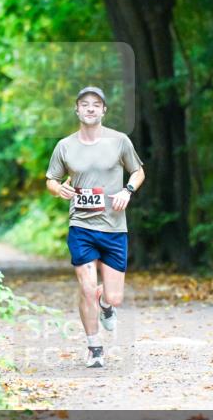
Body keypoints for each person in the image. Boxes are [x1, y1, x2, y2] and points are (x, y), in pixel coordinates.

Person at [45, 86, 145, 368]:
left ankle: (105, 303)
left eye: (96, 104)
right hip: (82, 226)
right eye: (84, 104)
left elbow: (138, 171)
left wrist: (127, 190)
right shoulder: (65, 146)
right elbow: (51, 179)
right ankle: (94, 348)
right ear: (77, 110)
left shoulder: (119, 141)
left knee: (113, 296)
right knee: (86, 288)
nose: (90, 108)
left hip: (114, 228)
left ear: (104, 111)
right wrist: (58, 191)